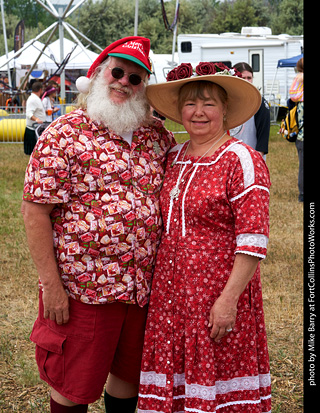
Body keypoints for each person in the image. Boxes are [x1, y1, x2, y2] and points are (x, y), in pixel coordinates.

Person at [21, 36, 175, 413]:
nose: (125, 82)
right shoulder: (63, 134)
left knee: (128, 377)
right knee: (74, 385)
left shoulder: (157, 137)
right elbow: (35, 211)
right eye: (118, 72)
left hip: (142, 289)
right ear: (99, 74)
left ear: (144, 89)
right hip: (83, 291)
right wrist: (51, 286)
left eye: (136, 78)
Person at [137, 62, 272, 413]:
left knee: (218, 380)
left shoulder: (241, 159)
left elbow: (253, 239)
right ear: (179, 112)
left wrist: (228, 301)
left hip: (218, 291)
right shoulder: (173, 157)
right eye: (190, 104)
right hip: (171, 293)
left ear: (226, 111)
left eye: (209, 103)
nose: (198, 112)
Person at [229, 62, 270, 160]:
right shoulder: (227, 101)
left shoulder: (259, 102)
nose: (247, 81)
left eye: (249, 78)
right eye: (243, 78)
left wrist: (257, 159)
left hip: (252, 156)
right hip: (230, 156)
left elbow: (263, 136)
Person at [289, 57, 304, 202]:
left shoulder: (298, 99)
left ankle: (302, 193)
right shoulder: (301, 78)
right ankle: (302, 194)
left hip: (300, 137)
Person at [24, 81, 46, 155]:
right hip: (33, 129)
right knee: (32, 153)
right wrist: (36, 119)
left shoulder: (35, 98)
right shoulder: (33, 99)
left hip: (36, 128)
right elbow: (29, 113)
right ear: (40, 90)